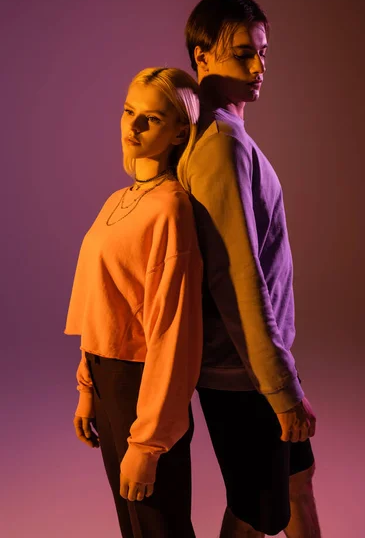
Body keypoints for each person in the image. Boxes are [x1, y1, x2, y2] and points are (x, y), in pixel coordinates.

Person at [178, 0, 321, 537]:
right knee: (255, 515)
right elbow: (237, 279)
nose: (259, 67)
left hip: (264, 363)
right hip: (244, 377)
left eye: (263, 53)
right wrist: (280, 390)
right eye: (243, 54)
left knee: (298, 483)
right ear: (202, 56)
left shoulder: (227, 134)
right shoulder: (218, 145)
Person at [65, 67, 203, 538]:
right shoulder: (115, 201)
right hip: (108, 380)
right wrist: (87, 388)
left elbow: (172, 333)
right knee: (134, 527)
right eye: (129, 112)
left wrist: (149, 443)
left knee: (158, 526)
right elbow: (103, 304)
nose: (133, 127)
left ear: (179, 130)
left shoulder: (172, 208)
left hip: (142, 387)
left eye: (151, 118)